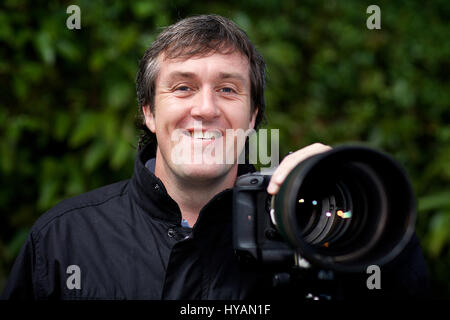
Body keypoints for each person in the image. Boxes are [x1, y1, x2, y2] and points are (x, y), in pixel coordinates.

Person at [1, 14, 429, 300]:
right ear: (149, 112)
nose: (205, 109)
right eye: (183, 87)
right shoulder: (63, 240)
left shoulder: (308, 229)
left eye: (228, 89)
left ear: (253, 115)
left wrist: (360, 209)